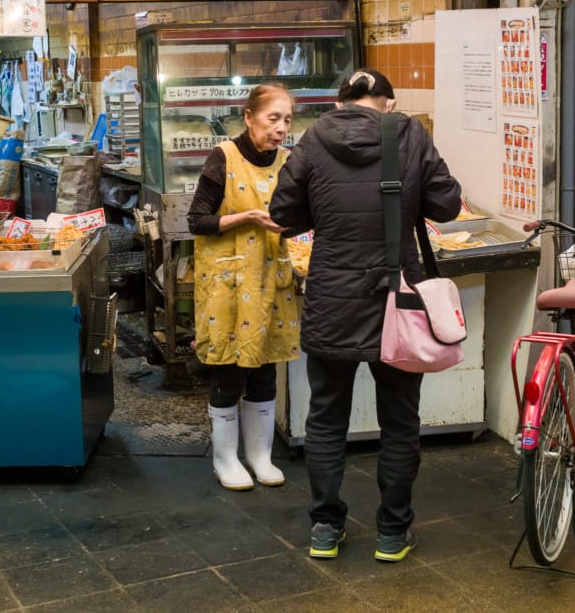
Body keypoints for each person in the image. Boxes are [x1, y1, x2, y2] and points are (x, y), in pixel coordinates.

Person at [269, 68, 462, 563]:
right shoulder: (410, 133)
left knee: (327, 421)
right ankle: (392, 535)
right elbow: (446, 205)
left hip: (332, 299)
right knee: (400, 422)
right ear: (389, 103)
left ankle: (325, 530)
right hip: (400, 300)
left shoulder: (313, 138)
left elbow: (285, 215)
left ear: (341, 103)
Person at [187, 82, 300, 491]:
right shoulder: (224, 157)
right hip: (228, 285)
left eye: (287, 120)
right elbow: (196, 220)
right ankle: (225, 460)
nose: (281, 128)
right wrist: (248, 217)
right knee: (229, 370)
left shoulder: (290, 160)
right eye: (273, 119)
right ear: (249, 117)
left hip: (271, 279)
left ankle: (260, 457)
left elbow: (299, 215)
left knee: (265, 369)